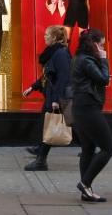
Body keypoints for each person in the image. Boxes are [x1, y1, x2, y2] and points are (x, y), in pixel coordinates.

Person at [71, 28, 112, 203]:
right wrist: (104, 60)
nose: (103, 48)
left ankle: (86, 191)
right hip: (88, 108)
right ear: (95, 44)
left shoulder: (78, 59)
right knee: (108, 148)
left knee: (88, 149)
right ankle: (85, 183)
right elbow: (104, 79)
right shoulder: (87, 61)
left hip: (80, 107)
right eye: (101, 45)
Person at [22, 25, 71, 171]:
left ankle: (41, 160)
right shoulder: (54, 53)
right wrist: (33, 87)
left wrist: (57, 99)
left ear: (55, 38)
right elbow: (48, 75)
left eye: (47, 35)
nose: (44, 37)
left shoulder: (60, 54)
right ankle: (91, 148)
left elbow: (63, 77)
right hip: (53, 94)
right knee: (53, 124)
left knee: (53, 125)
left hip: (58, 96)